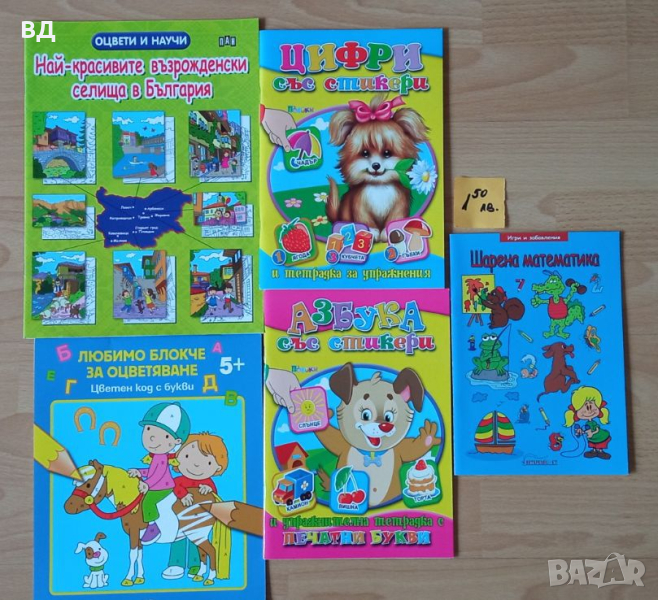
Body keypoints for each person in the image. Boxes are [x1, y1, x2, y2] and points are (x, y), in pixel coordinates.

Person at [162, 433, 229, 580]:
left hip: (198, 516)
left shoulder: (208, 483)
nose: (196, 464)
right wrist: (183, 495)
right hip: (178, 518)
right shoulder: (178, 480)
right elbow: (175, 487)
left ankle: (195, 564)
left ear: (218, 467)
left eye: (208, 462)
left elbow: (212, 493)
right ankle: (176, 563)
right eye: (187, 456)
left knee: (197, 538)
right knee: (177, 539)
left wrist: (208, 489)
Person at [128, 402, 191, 544]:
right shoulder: (156, 456)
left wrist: (147, 484)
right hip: (157, 485)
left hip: (163, 487)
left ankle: (153, 526)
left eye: (165, 436)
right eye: (149, 429)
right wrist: (138, 472)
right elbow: (151, 472)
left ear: (176, 441)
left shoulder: (162, 457)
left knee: (148, 501)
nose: (152, 438)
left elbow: (158, 475)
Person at [564, 386, 612, 460]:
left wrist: (592, 433)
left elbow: (597, 429)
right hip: (592, 438)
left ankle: (600, 452)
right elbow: (586, 430)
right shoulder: (586, 424)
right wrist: (581, 432)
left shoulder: (593, 422)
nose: (589, 410)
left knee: (600, 445)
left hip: (600, 436)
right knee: (593, 444)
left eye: (592, 405)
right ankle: (594, 451)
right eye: (584, 406)